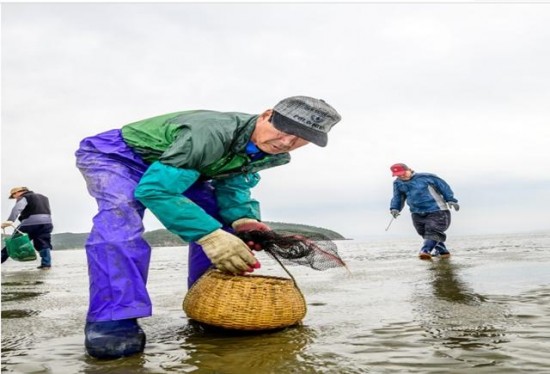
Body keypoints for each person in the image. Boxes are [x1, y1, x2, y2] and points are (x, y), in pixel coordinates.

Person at [75, 96, 341, 359]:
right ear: (266, 115)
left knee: (222, 222)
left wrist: (243, 219)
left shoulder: (270, 152)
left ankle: (207, 300)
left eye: (300, 139)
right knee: (120, 222)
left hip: (184, 166)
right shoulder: (211, 133)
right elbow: (156, 189)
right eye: (284, 130)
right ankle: (113, 319)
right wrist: (209, 236)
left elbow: (233, 183)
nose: (286, 142)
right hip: (120, 155)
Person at [388, 163, 459, 260]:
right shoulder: (398, 183)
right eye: (398, 175)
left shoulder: (427, 177)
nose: (401, 176)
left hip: (437, 210)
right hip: (416, 212)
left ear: (409, 169)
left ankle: (425, 251)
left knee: (433, 230)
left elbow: (443, 187)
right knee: (424, 233)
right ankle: (442, 251)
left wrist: (450, 199)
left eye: (403, 173)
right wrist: (394, 208)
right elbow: (398, 197)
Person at [1, 187, 54, 269]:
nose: (15, 198)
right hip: (47, 222)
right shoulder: (44, 197)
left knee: (13, 242)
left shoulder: (24, 197)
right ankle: (46, 264)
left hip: (30, 223)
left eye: (14, 196)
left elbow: (17, 208)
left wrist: (10, 220)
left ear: (18, 192)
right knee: (44, 242)